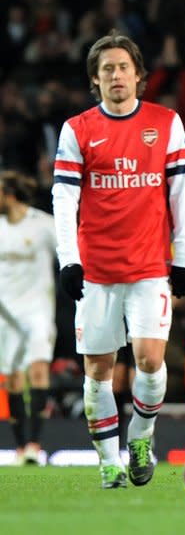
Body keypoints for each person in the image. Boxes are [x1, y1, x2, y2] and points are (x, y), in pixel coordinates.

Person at [52, 30, 185, 489]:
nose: (117, 75)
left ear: (139, 75)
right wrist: (68, 260)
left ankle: (141, 436)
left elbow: (181, 194)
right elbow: (62, 198)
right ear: (96, 80)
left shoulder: (166, 122)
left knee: (150, 361)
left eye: (124, 67)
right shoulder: (77, 129)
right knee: (98, 371)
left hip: (149, 267)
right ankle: (108, 462)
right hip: (95, 270)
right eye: (107, 69)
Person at [0, 171, 57, 465]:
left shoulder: (43, 225)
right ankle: (20, 447)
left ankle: (35, 444)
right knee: (13, 379)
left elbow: (71, 254)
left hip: (38, 310)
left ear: (9, 194)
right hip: (6, 316)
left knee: (37, 371)